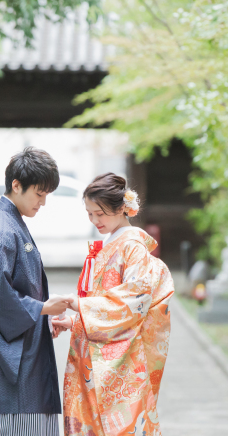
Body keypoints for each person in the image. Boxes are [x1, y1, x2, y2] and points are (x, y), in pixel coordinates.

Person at [52, 173, 175, 436]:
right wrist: (76, 319)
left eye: (100, 213)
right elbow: (104, 298)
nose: (95, 221)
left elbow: (134, 302)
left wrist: (80, 306)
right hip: (92, 352)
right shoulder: (111, 243)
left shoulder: (132, 247)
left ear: (122, 208)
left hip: (118, 361)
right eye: (89, 214)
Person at [0, 147, 74, 436]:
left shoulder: (6, 222)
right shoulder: (2, 228)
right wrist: (42, 308)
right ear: (16, 185)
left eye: (46, 194)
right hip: (8, 376)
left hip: (19, 356)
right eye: (39, 194)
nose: (44, 202)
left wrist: (44, 316)